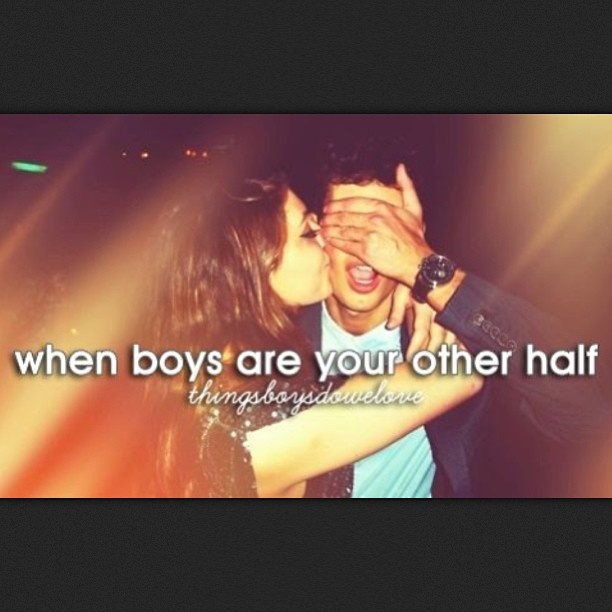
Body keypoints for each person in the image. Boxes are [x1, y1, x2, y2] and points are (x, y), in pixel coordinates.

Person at [143, 175, 482, 498]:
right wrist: (418, 265)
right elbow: (460, 372)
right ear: (252, 271)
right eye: (308, 232)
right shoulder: (249, 426)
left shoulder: (218, 378)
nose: (327, 239)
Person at [318, 152, 612, 497]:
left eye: (386, 228)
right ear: (316, 230)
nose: (368, 247)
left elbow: (588, 412)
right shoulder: (274, 327)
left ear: (413, 237)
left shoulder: (450, 339)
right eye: (347, 226)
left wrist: (431, 274)